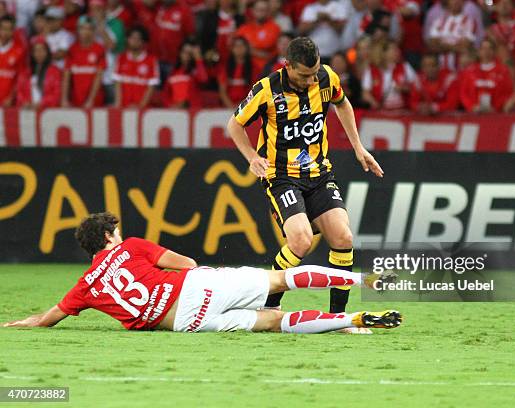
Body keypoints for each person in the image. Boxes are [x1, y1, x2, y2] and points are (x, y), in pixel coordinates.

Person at [2, 212, 402, 334]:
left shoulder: (85, 286)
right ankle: (362, 282)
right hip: (198, 286)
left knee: (276, 322)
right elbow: (188, 264)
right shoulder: (131, 246)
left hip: (186, 323)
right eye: (115, 229)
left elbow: (45, 319)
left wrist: (11, 325)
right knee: (278, 280)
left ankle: (348, 321)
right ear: (109, 235)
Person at [226, 37, 384, 334]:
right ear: (288, 66)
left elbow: (343, 104)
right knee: (299, 240)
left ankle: (338, 319)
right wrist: (251, 157)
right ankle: (270, 307)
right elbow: (234, 124)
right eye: (303, 75)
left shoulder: (326, 77)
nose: (311, 80)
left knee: (343, 237)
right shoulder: (266, 90)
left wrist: (358, 147)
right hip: (281, 175)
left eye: (314, 74)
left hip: (319, 173)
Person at [61, 16, 107, 108]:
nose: (85, 32)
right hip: (75, 99)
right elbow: (66, 76)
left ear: (93, 31)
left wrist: (91, 100)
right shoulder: (72, 49)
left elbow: (98, 76)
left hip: (95, 101)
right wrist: (64, 99)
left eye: (89, 29)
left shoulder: (99, 49)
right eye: (82, 28)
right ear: (78, 30)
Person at [460, 38, 513, 113]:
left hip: (495, 115)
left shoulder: (503, 71)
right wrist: (472, 107)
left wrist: (495, 107)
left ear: (494, 52)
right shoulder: (469, 71)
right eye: (483, 48)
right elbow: (464, 93)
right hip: (474, 114)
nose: (486, 51)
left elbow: (507, 93)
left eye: (490, 48)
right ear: (478, 52)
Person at [361, 41, 418, 110]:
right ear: (384, 53)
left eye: (397, 49)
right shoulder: (371, 71)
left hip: (403, 111)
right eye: (394, 49)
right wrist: (375, 103)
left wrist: (404, 88)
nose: (398, 51)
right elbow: (365, 93)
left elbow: (418, 87)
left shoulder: (405, 67)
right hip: (380, 113)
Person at [112, 26, 160, 108]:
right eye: (132, 38)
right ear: (127, 39)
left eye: (138, 39)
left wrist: (140, 106)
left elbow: (151, 86)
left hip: (142, 110)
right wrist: (118, 104)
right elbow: (117, 83)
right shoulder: (121, 58)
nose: (135, 41)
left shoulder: (151, 60)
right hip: (123, 107)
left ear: (143, 42)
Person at [235, 0, 281, 76]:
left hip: (267, 71)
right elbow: (236, 48)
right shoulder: (244, 28)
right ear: (252, 11)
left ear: (268, 12)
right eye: (258, 10)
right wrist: (258, 52)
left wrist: (248, 49)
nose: (261, 13)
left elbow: (268, 45)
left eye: (263, 10)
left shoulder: (274, 28)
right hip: (247, 71)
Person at [16, 36, 62, 108]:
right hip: (28, 111)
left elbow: (56, 94)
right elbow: (19, 92)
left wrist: (42, 103)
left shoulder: (55, 71)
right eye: (36, 50)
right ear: (32, 53)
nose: (39, 53)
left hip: (47, 111)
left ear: (47, 52)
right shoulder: (25, 72)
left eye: (42, 50)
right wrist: (25, 102)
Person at [298, 0, 347, 64]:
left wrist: (328, 19)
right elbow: (301, 30)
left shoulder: (339, 7)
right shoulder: (310, 8)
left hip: (334, 54)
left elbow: (342, 29)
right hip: (314, 54)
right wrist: (317, 20)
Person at [164, 41, 208, 108]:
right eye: (184, 52)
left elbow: (204, 79)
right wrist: (170, 106)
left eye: (190, 53)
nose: (187, 55)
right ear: (180, 53)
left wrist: (198, 59)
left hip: (192, 111)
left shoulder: (195, 71)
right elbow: (166, 95)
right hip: (175, 112)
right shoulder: (173, 73)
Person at [218, 36, 254, 108]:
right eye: (236, 46)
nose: (239, 48)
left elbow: (255, 91)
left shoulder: (254, 67)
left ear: (247, 48)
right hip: (228, 108)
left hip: (247, 107)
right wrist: (231, 107)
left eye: (242, 46)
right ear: (232, 49)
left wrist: (243, 107)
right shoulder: (225, 67)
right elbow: (222, 92)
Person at [0, 14, 25, 107]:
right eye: (3, 28)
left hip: (8, 102)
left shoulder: (19, 50)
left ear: (13, 31)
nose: (5, 32)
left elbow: (20, 77)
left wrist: (11, 97)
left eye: (9, 29)